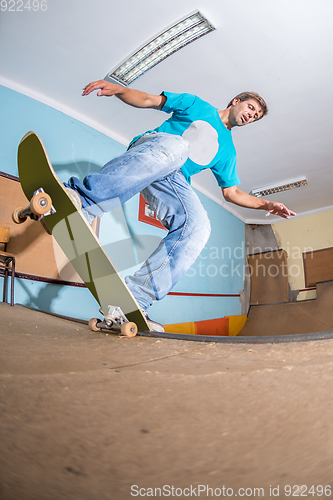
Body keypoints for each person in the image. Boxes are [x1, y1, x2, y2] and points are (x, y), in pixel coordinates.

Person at [65, 80, 296, 331]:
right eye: (251, 108)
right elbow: (148, 100)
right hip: (154, 149)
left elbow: (232, 192)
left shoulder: (227, 151)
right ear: (236, 101)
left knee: (198, 227)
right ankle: (83, 202)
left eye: (256, 116)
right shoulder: (198, 105)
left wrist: (266, 204)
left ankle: (135, 299)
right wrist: (121, 90)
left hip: (173, 179)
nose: (251, 115)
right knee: (179, 146)